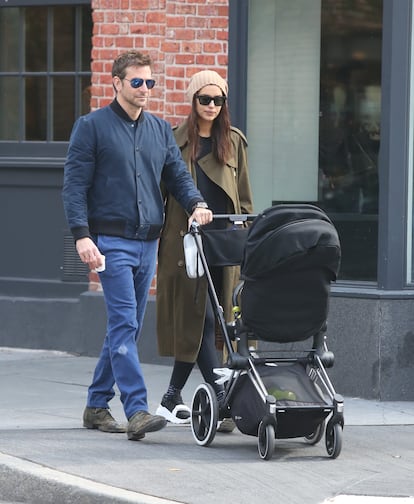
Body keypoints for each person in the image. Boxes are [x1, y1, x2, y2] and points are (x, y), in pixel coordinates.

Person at [62, 51, 212, 441]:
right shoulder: (90, 127)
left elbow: (177, 175)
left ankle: (96, 405)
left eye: (150, 83)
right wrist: (82, 236)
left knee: (124, 328)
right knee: (125, 323)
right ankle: (136, 410)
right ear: (116, 82)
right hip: (110, 242)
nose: (145, 89)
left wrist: (196, 203)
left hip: (150, 244)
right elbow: (74, 186)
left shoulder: (159, 130)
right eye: (137, 82)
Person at [155, 70, 254, 430]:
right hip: (183, 241)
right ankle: (220, 390)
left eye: (218, 100)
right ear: (193, 101)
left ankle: (171, 397)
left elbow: (243, 198)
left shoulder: (234, 142)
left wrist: (247, 234)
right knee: (199, 315)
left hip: (223, 241)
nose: (211, 106)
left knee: (219, 318)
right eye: (204, 99)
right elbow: (161, 194)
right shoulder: (173, 141)